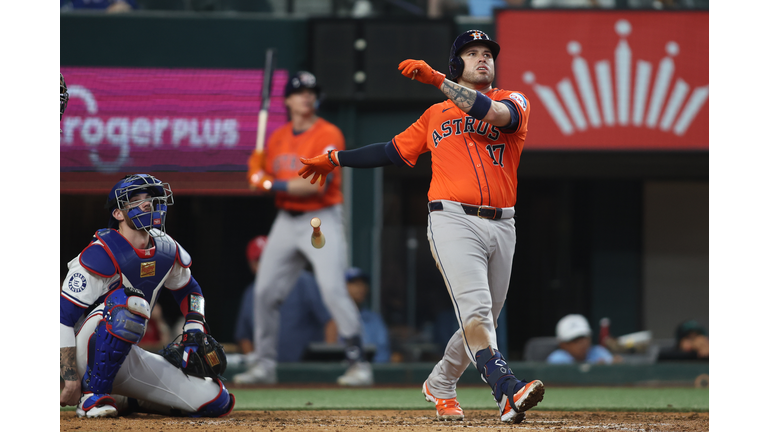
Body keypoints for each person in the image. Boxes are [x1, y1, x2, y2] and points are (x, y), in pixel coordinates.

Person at [298, 30, 544, 423]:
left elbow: (495, 116)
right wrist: (335, 158)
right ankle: (506, 388)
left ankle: (441, 382)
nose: (482, 59)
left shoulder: (514, 100)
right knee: (476, 311)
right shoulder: (435, 116)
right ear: (456, 64)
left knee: (482, 319)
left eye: (487, 53)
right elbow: (390, 151)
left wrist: (436, 81)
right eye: (472, 53)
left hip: (503, 224)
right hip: (451, 218)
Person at [234, 71, 373, 386]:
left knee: (332, 288)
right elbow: (265, 178)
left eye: (311, 91)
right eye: (300, 92)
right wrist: (257, 169)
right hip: (286, 220)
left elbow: (315, 185)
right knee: (264, 292)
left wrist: (268, 181)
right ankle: (264, 364)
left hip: (320, 218)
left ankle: (358, 363)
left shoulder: (329, 133)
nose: (306, 96)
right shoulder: (277, 137)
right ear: (288, 100)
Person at [59, 174, 235, 418]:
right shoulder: (100, 253)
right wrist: (69, 378)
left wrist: (195, 325)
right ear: (118, 214)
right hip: (80, 354)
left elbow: (190, 290)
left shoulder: (165, 248)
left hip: (124, 356)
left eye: (150, 198)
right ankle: (92, 396)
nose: (146, 204)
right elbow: (61, 319)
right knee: (128, 305)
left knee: (216, 401)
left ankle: (125, 400)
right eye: (136, 200)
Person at [234, 235, 338, 364]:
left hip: (307, 368)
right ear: (252, 266)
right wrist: (255, 363)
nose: (265, 265)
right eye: (259, 260)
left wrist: (327, 362)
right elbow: (244, 336)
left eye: (268, 258)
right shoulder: (251, 293)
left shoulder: (304, 281)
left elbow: (330, 321)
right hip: (270, 370)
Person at [344, 267, 390, 363]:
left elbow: (383, 353)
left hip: (373, 372)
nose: (360, 287)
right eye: (355, 283)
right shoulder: (332, 318)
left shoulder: (374, 318)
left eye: (362, 283)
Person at [546, 314, 616, 364]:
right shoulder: (557, 359)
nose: (582, 343)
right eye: (575, 340)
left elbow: (613, 362)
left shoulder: (599, 352)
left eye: (584, 338)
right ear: (563, 344)